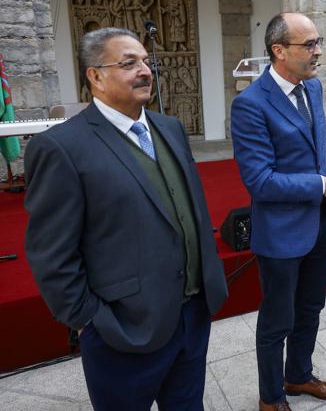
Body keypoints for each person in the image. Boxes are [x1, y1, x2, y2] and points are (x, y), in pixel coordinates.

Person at [24, 27, 228, 410]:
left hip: (191, 316)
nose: (145, 71)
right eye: (129, 63)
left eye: (146, 62)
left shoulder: (170, 128)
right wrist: (90, 320)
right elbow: (51, 254)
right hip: (122, 331)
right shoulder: (62, 147)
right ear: (95, 76)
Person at [230, 12, 326, 411]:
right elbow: (260, 181)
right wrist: (319, 185)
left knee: (311, 307)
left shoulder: (311, 89)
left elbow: (324, 146)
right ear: (279, 51)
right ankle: (271, 397)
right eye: (309, 45)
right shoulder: (249, 104)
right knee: (277, 319)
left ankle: (298, 376)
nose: (318, 52)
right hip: (280, 232)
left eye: (318, 42)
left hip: (318, 224)